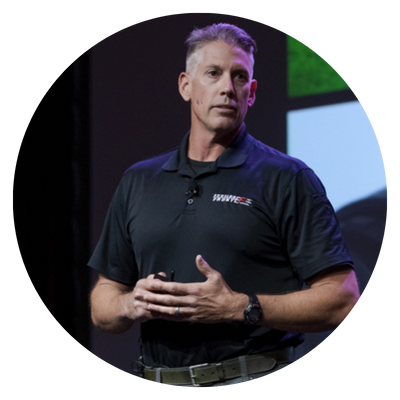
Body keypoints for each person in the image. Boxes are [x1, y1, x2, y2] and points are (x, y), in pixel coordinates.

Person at [88, 23, 361, 389]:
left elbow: (344, 302)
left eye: (239, 77)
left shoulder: (287, 178)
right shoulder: (139, 180)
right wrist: (130, 304)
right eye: (214, 73)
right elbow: (103, 302)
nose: (228, 88)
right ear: (186, 86)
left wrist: (239, 307)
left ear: (252, 93)